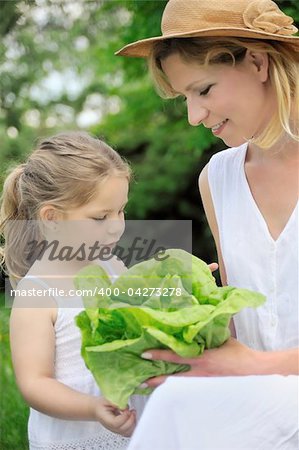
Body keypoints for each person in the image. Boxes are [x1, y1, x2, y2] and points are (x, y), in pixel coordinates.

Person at [116, 0, 299, 448]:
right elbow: (239, 323)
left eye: (204, 90)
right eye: (185, 98)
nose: (194, 116)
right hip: (259, 402)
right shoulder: (217, 178)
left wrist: (258, 367)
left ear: (257, 61)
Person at [0, 131, 147, 450]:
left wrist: (176, 288)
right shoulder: (36, 294)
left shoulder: (109, 264)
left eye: (121, 211)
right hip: (76, 436)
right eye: (100, 217)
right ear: (52, 219)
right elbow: (35, 384)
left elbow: (139, 307)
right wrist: (91, 407)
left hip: (129, 424)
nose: (116, 226)